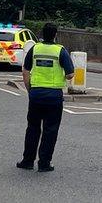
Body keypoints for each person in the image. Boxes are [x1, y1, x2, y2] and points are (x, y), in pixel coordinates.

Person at [17, 22, 75, 173]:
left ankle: (27, 161)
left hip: (36, 95)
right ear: (55, 35)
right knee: (50, 130)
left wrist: (30, 90)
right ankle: (44, 163)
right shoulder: (60, 51)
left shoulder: (34, 48)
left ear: (42, 34)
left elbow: (25, 71)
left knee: (32, 128)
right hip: (54, 96)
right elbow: (70, 75)